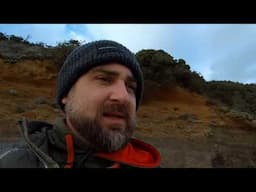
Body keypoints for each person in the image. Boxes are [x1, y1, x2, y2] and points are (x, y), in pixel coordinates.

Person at [0, 40, 160, 168]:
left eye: (131, 87)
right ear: (66, 95)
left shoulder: (147, 164)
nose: (123, 96)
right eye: (104, 79)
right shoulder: (15, 163)